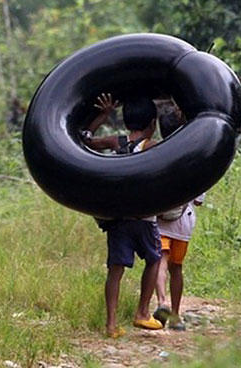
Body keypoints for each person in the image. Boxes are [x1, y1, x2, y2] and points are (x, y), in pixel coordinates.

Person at [81, 94, 164, 338]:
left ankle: (111, 324)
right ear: (152, 122)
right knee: (154, 259)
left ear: (126, 121)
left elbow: (85, 141)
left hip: (118, 217)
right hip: (144, 217)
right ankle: (142, 313)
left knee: (115, 270)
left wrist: (103, 116)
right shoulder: (153, 145)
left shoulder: (115, 142)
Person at [152, 110, 200, 331]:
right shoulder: (192, 157)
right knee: (177, 268)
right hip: (183, 220)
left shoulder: (154, 154)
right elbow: (198, 199)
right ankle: (177, 315)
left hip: (160, 217)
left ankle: (162, 302)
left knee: (160, 261)